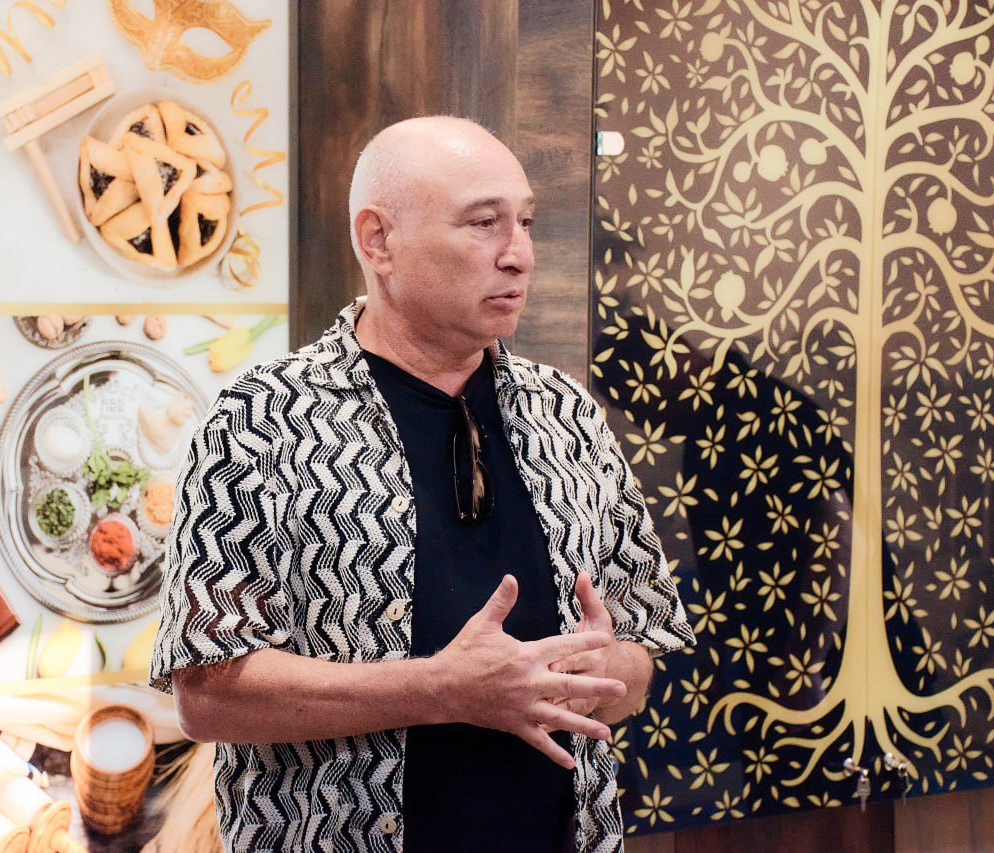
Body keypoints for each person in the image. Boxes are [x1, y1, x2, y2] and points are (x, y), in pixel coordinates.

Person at [151, 117, 694, 852]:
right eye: (484, 223)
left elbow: (640, 653)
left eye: (526, 222)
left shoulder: (566, 413)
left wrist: (604, 669)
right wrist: (441, 687)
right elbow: (207, 694)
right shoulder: (261, 418)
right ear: (378, 241)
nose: (520, 254)